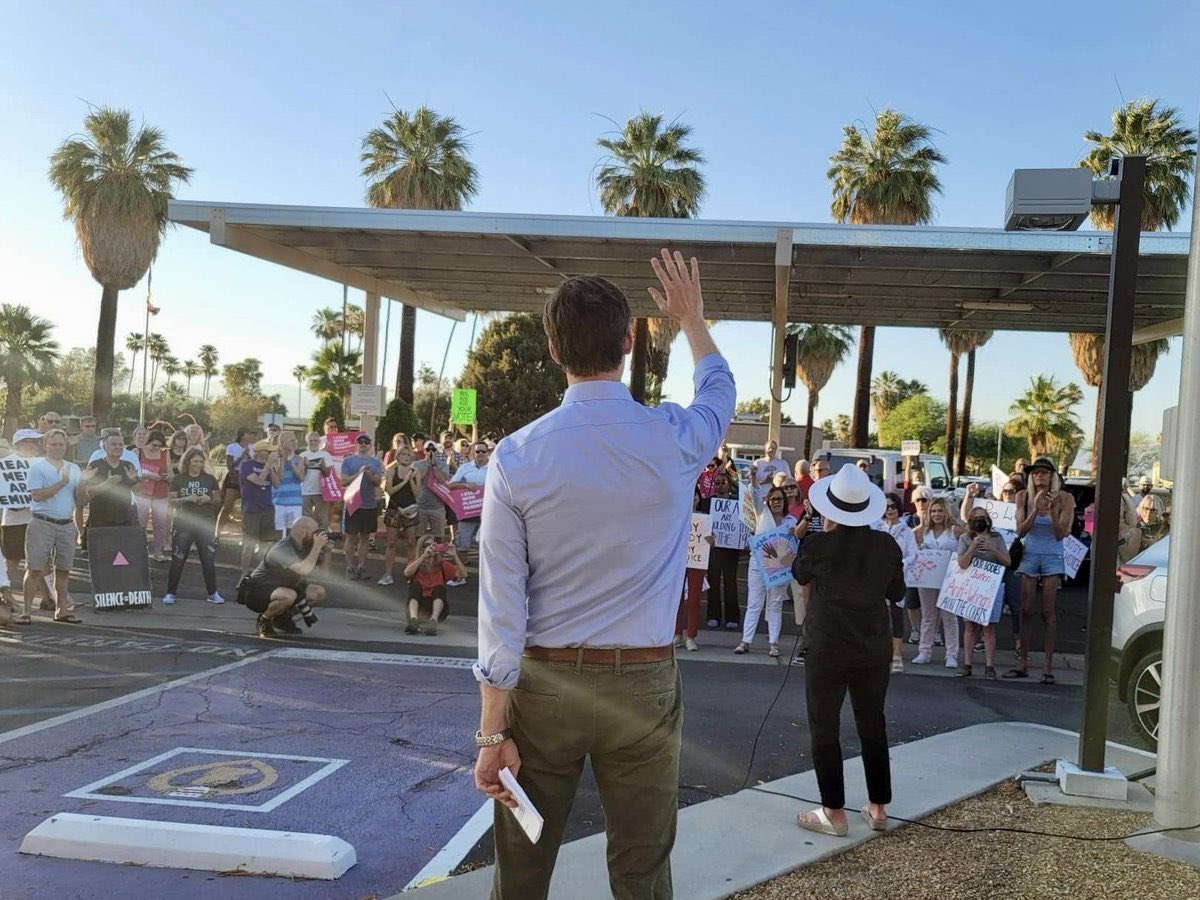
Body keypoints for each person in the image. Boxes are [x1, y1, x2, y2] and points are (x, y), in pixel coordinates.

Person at [472, 250, 734, 899]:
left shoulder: (518, 454)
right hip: (643, 680)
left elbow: (501, 604)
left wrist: (491, 730)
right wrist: (692, 320)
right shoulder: (672, 437)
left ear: (554, 348)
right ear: (626, 342)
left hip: (547, 684)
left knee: (524, 865)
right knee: (642, 868)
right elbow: (719, 391)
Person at [792, 464, 902, 838]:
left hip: (827, 647)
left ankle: (833, 811)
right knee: (873, 722)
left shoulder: (819, 544)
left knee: (825, 726)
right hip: (872, 647)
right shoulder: (886, 545)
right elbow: (898, 593)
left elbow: (799, 574)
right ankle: (878, 806)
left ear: (831, 509)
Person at [1006, 456, 1074, 684]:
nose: (1040, 476)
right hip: (1030, 554)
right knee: (1025, 609)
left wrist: (1052, 511)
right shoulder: (1023, 497)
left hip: (1053, 556)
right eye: (1036, 473)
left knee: (1048, 612)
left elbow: (1060, 533)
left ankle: (1047, 666)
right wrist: (1035, 510)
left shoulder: (1065, 498)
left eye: (1044, 472)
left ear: (1052, 475)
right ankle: (1022, 661)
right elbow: (1020, 531)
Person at [23, 429, 82, 624]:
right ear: (46, 445)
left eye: (61, 445)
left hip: (66, 524)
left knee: (64, 569)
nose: (58, 448)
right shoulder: (38, 467)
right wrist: (62, 482)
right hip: (42, 522)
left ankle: (61, 610)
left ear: (66, 446)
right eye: (54, 444)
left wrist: (99, 485)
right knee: (35, 568)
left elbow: (80, 498)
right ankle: (26, 612)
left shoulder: (74, 467)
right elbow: (37, 495)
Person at [735, 484, 799, 658]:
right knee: (754, 603)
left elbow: (796, 543)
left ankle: (773, 643)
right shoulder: (761, 514)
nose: (776, 502)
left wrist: (795, 533)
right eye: (773, 499)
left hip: (779, 568)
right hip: (758, 565)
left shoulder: (791, 521)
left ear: (784, 501)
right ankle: (745, 641)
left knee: (775, 604)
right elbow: (754, 496)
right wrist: (754, 479)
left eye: (779, 499)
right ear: (768, 502)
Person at [239, 516, 328, 638]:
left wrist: (327, 552)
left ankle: (281, 617)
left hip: (283, 589)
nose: (317, 536)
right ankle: (264, 620)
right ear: (303, 532)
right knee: (289, 596)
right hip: (258, 593)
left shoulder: (307, 547)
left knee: (318, 592)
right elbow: (303, 570)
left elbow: (324, 574)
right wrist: (317, 547)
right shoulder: (283, 548)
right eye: (315, 532)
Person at [163, 448, 224, 606]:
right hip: (184, 523)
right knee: (178, 558)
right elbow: (171, 501)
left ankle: (212, 592)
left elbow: (218, 500)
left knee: (208, 559)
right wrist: (187, 498)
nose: (198, 464)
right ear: (188, 461)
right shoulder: (179, 479)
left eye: (200, 461)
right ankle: (170, 592)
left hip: (205, 522)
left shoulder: (209, 479)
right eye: (195, 461)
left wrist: (207, 498)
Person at [956, 506, 1010, 680]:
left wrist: (992, 549)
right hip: (972, 586)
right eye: (975, 518)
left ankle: (989, 666)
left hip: (990, 587)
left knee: (988, 628)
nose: (979, 521)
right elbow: (962, 564)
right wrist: (972, 547)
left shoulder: (997, 537)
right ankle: (967, 664)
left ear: (988, 520)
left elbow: (1007, 561)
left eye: (982, 518)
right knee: (970, 626)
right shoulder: (965, 538)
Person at [912, 496, 963, 668]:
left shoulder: (955, 530)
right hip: (926, 578)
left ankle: (951, 654)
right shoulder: (922, 531)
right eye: (933, 511)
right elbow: (912, 546)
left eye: (940, 510)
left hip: (949, 578)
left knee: (949, 617)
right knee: (928, 616)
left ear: (946, 512)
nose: (936, 514)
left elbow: (966, 548)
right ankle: (924, 651)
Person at [3, 430, 43, 601]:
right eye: (31, 441)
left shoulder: (41, 463)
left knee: (40, 561)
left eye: (36, 441)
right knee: (12, 560)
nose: (35, 445)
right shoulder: (5, 464)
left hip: (37, 519)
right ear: (19, 443)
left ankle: (49, 598)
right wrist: (17, 503)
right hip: (13, 521)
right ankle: (5, 594)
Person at [880, 492, 917, 674]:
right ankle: (881, 652)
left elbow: (913, 554)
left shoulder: (906, 531)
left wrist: (901, 564)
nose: (890, 510)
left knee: (896, 614)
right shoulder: (877, 528)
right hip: (878, 577)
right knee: (879, 615)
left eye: (893, 507)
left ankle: (897, 654)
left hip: (899, 577)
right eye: (886, 507)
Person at [340, 433, 385, 580]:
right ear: (356, 444)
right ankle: (349, 567)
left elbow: (378, 482)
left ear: (370, 445)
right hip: (353, 504)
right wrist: (359, 474)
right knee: (351, 537)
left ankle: (361, 566)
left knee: (365, 537)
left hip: (369, 504)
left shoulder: (375, 462)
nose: (363, 444)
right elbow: (344, 481)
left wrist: (369, 474)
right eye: (360, 442)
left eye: (366, 442)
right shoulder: (348, 461)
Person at [403, 535, 466, 635]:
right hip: (418, 605)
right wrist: (423, 556)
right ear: (422, 548)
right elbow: (406, 573)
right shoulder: (416, 564)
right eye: (427, 545)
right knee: (415, 586)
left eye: (433, 545)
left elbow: (463, 575)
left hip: (436, 606)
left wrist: (455, 556)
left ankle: (433, 621)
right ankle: (413, 620)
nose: (431, 547)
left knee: (439, 588)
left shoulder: (442, 565)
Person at [705, 468, 743, 630]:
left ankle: (732, 616)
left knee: (730, 582)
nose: (720, 486)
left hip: (731, 549)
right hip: (712, 549)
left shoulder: (736, 503)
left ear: (729, 485)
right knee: (712, 581)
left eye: (723, 483)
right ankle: (713, 615)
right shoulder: (707, 503)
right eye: (717, 483)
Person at [675, 486, 712, 652]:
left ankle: (691, 636)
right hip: (678, 561)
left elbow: (711, 541)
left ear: (699, 497)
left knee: (694, 599)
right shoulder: (676, 517)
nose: (693, 498)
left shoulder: (704, 518)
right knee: (676, 599)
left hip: (696, 562)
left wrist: (711, 541)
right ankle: (677, 634)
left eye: (695, 494)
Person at [380, 444, 420, 585]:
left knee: (411, 543)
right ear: (398, 456)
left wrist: (411, 480)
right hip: (394, 509)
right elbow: (390, 491)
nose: (406, 457)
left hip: (410, 509)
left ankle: (411, 573)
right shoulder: (392, 471)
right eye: (403, 454)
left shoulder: (416, 471)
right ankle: (388, 574)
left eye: (408, 454)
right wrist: (404, 481)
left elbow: (417, 493)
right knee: (391, 543)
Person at [83, 430, 140, 527]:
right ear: (105, 446)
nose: (117, 447)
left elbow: (138, 493)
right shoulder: (96, 465)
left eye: (120, 444)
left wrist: (133, 480)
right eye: (113, 444)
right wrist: (108, 484)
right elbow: (89, 492)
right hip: (100, 520)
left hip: (124, 519)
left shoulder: (128, 466)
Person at [238, 440, 277, 576]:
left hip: (267, 507)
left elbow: (277, 484)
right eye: (268, 451)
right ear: (259, 452)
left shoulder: (269, 466)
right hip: (251, 510)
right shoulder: (246, 465)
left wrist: (272, 467)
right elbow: (258, 481)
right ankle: (244, 574)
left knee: (265, 544)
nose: (271, 454)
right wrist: (267, 466)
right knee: (249, 544)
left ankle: (261, 574)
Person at [447, 440, 489, 560]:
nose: (480, 453)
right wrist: (465, 485)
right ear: (472, 453)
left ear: (487, 453)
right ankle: (461, 576)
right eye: (477, 451)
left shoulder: (494, 467)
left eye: (483, 451)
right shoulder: (465, 468)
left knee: (487, 546)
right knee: (463, 545)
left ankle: (486, 577)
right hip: (468, 512)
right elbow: (451, 485)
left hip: (487, 513)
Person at [135, 429, 172, 561]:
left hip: (161, 491)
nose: (156, 448)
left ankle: (158, 551)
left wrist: (166, 476)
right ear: (147, 442)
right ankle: (139, 549)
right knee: (141, 522)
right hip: (143, 492)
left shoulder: (164, 453)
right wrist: (149, 475)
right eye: (153, 445)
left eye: (158, 445)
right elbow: (133, 472)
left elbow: (171, 474)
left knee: (160, 523)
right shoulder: (138, 452)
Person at [216, 427, 252, 541]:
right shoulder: (232, 447)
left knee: (246, 509)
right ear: (242, 435)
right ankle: (217, 534)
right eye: (248, 433)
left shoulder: (252, 447)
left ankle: (246, 537)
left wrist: (249, 455)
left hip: (248, 478)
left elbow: (254, 462)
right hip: (234, 478)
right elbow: (230, 466)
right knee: (227, 506)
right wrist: (242, 456)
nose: (250, 436)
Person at [413, 440, 450, 540]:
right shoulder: (416, 464)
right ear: (424, 451)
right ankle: (419, 555)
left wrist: (434, 466)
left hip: (437, 507)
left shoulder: (443, 465)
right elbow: (417, 479)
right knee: (418, 538)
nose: (430, 451)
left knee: (439, 539)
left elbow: (442, 480)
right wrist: (427, 465)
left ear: (437, 451)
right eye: (428, 449)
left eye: (433, 449)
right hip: (420, 506)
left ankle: (437, 556)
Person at [299, 431, 335, 530]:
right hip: (305, 491)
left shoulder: (325, 454)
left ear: (319, 441)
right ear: (307, 442)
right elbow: (300, 475)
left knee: (322, 520)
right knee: (306, 519)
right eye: (311, 440)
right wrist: (305, 467)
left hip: (321, 492)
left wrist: (323, 466)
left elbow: (328, 473)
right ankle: (307, 541)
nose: (313, 443)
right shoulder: (302, 455)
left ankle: (322, 541)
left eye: (315, 440)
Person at [272, 431, 306, 536]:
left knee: (293, 533)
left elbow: (301, 478)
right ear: (283, 442)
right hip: (279, 502)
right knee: (279, 533)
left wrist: (291, 462)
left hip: (295, 503)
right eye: (292, 440)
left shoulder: (299, 459)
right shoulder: (275, 458)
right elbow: (280, 478)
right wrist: (283, 460)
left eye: (295, 440)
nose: (295, 442)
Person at [1136, 476, 1166, 547]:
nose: (1146, 487)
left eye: (1153, 510)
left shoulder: (1157, 500)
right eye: (1144, 485)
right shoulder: (1134, 499)